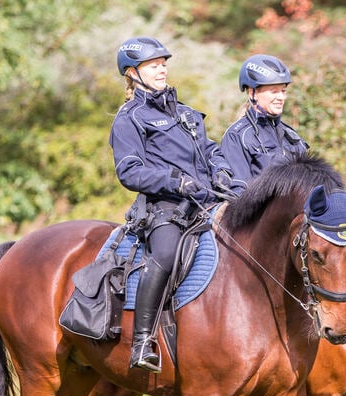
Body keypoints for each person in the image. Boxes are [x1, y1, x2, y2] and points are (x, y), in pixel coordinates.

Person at [110, 36, 242, 372]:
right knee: (166, 254)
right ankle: (142, 342)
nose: (162, 68)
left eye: (163, 62)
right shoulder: (130, 117)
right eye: (153, 64)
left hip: (208, 203)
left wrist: (223, 171)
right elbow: (129, 170)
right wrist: (175, 182)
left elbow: (210, 151)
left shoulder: (184, 112)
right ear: (131, 73)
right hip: (165, 208)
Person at [221, 54, 309, 183]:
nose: (281, 97)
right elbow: (239, 194)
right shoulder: (237, 136)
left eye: (283, 91)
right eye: (274, 91)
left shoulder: (292, 137)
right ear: (252, 93)